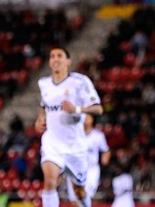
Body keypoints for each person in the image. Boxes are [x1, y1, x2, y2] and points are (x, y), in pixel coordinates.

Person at [35, 47, 103, 207]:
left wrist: (76, 109)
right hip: (52, 143)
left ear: (68, 61)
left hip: (75, 146)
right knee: (50, 181)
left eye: (60, 56)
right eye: (52, 56)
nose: (55, 59)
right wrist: (40, 119)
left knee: (79, 191)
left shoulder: (80, 82)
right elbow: (44, 105)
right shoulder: (44, 83)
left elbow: (98, 109)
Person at [66, 114, 111, 206]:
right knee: (74, 201)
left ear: (92, 119)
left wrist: (105, 157)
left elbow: (106, 150)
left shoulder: (98, 136)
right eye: (83, 118)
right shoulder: (74, 135)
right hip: (75, 170)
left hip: (91, 170)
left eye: (87, 118)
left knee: (84, 196)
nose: (85, 120)